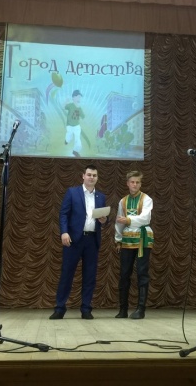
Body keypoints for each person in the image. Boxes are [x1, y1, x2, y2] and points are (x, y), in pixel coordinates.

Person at [50, 164, 109, 320]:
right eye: (89, 175)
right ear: (83, 176)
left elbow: (104, 219)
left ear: (97, 178)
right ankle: (60, 308)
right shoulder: (72, 192)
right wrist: (64, 232)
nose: (91, 177)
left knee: (90, 276)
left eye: (94, 175)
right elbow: (63, 214)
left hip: (92, 240)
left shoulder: (101, 197)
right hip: (73, 240)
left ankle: (86, 309)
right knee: (67, 274)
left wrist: (104, 220)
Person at [114, 171, 154, 319]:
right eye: (132, 182)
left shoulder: (146, 199)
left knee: (142, 273)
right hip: (127, 240)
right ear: (127, 183)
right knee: (124, 274)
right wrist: (118, 240)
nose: (135, 185)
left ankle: (140, 309)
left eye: (137, 182)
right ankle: (123, 309)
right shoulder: (122, 201)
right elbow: (119, 221)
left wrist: (129, 220)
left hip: (143, 238)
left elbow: (145, 218)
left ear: (140, 184)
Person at [64, 90, 85, 157]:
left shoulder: (79, 108)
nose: (79, 98)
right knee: (69, 136)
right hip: (69, 125)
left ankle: (75, 151)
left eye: (80, 97)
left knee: (77, 139)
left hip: (77, 126)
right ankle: (67, 140)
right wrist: (66, 101)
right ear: (73, 98)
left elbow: (83, 116)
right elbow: (65, 106)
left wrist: (84, 120)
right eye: (78, 97)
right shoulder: (70, 105)